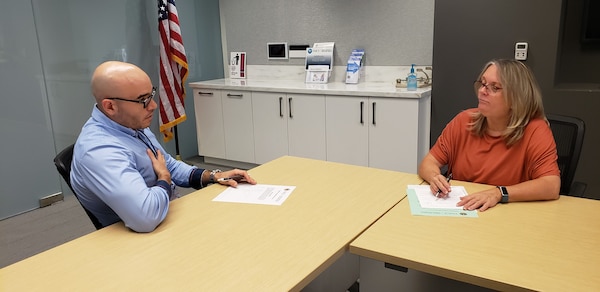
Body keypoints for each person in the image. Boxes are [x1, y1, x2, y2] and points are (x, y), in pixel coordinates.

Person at [71, 61, 256, 232]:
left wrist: (213, 176)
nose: (153, 105)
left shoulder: (130, 124)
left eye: (151, 95)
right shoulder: (99, 151)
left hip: (168, 215)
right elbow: (146, 217)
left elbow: (168, 164)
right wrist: (164, 177)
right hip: (138, 240)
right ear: (110, 106)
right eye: (143, 100)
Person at [418, 59, 560, 211]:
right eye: (483, 83)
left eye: (495, 87)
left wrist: (499, 193)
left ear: (516, 98)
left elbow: (551, 185)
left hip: (508, 214)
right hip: (463, 209)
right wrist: (435, 178)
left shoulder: (535, 130)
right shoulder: (464, 120)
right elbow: (428, 162)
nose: (482, 91)